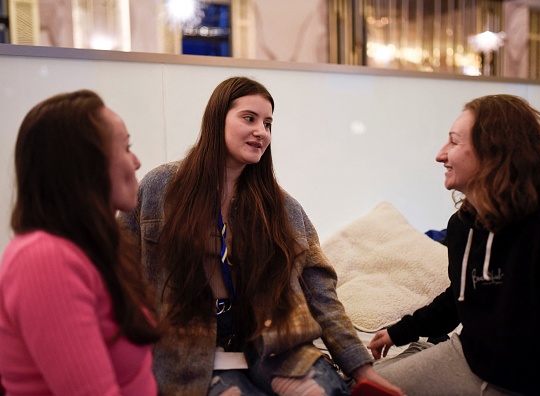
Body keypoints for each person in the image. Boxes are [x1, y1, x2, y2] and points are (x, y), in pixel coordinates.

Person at [118, 76, 404, 395]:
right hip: (189, 356)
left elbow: (321, 294)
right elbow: (118, 273)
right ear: (217, 120)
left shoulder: (282, 209)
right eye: (249, 118)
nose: (261, 132)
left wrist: (363, 369)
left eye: (268, 123)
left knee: (325, 392)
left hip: (271, 350)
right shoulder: (160, 189)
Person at [368, 94, 540, 395]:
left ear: (493, 152)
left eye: (453, 142)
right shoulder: (461, 226)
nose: (440, 155)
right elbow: (461, 299)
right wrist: (399, 332)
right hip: (470, 358)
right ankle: (416, 350)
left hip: (532, 382)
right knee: (363, 385)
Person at [0, 90, 160, 395]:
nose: (137, 161)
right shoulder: (45, 259)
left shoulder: (96, 247)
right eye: (126, 148)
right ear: (86, 164)